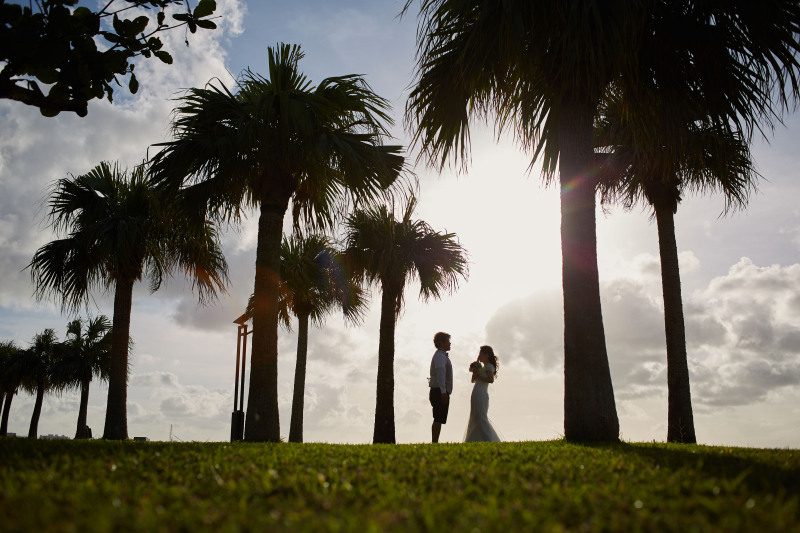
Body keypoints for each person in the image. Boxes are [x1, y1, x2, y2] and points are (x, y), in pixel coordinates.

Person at [464, 345, 501, 442]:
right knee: (475, 417)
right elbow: (473, 380)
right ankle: (475, 440)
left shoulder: (489, 366)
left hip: (481, 394)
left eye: (481, 354)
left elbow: (490, 379)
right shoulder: (482, 367)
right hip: (476, 393)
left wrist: (479, 376)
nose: (479, 355)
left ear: (487, 355)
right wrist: (475, 371)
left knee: (481, 417)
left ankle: (488, 439)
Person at [429, 331, 453, 443]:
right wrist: (443, 392)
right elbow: (440, 373)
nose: (450, 343)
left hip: (440, 390)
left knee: (439, 417)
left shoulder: (442, 355)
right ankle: (434, 442)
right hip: (439, 391)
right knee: (438, 417)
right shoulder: (439, 356)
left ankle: (435, 441)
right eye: (448, 341)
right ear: (441, 342)